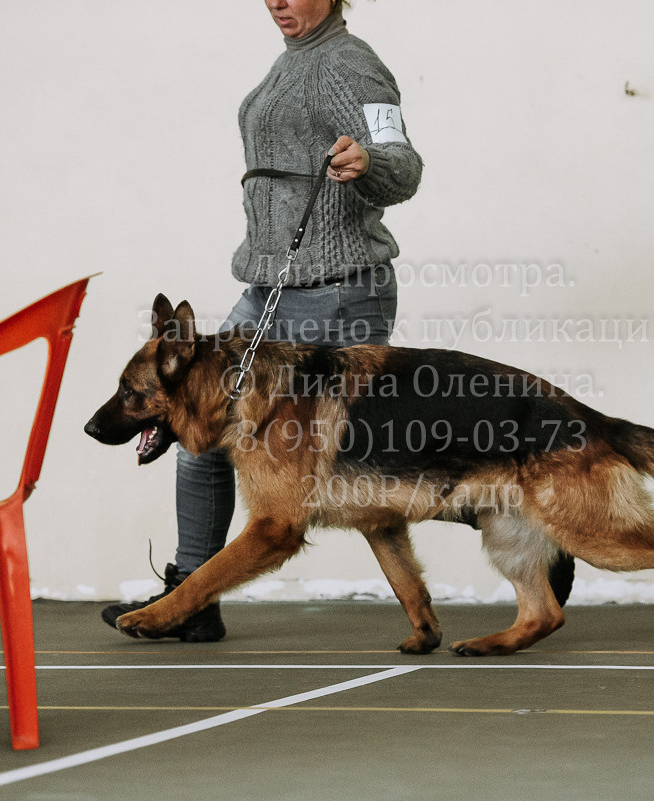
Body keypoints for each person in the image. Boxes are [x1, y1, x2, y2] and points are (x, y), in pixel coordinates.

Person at [101, 0, 423, 640]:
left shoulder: (348, 64)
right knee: (197, 432)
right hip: (270, 293)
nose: (277, 1)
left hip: (333, 296)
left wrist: (371, 164)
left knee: (349, 460)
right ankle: (190, 594)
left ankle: (482, 508)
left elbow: (403, 163)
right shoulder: (291, 62)